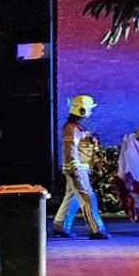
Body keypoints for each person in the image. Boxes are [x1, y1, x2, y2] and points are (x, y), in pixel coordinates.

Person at [53, 95, 110, 240]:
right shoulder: (72, 128)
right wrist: (76, 169)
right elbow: (70, 150)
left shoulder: (81, 126)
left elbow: (90, 147)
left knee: (71, 198)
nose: (91, 111)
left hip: (81, 168)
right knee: (88, 198)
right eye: (89, 109)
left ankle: (61, 225)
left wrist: (96, 163)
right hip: (77, 169)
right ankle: (96, 229)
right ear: (82, 110)